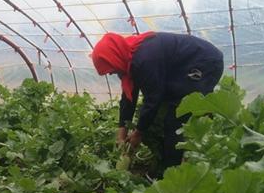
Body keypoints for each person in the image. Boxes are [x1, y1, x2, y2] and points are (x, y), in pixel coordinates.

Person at [91, 31, 224, 170]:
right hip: (183, 67)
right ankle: (171, 159)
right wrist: (122, 130)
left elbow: (153, 98)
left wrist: (138, 133)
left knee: (177, 117)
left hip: (205, 61)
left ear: (114, 57)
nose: (110, 73)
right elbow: (128, 98)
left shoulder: (144, 59)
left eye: (110, 69)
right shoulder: (127, 59)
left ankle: (174, 170)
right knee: (166, 113)